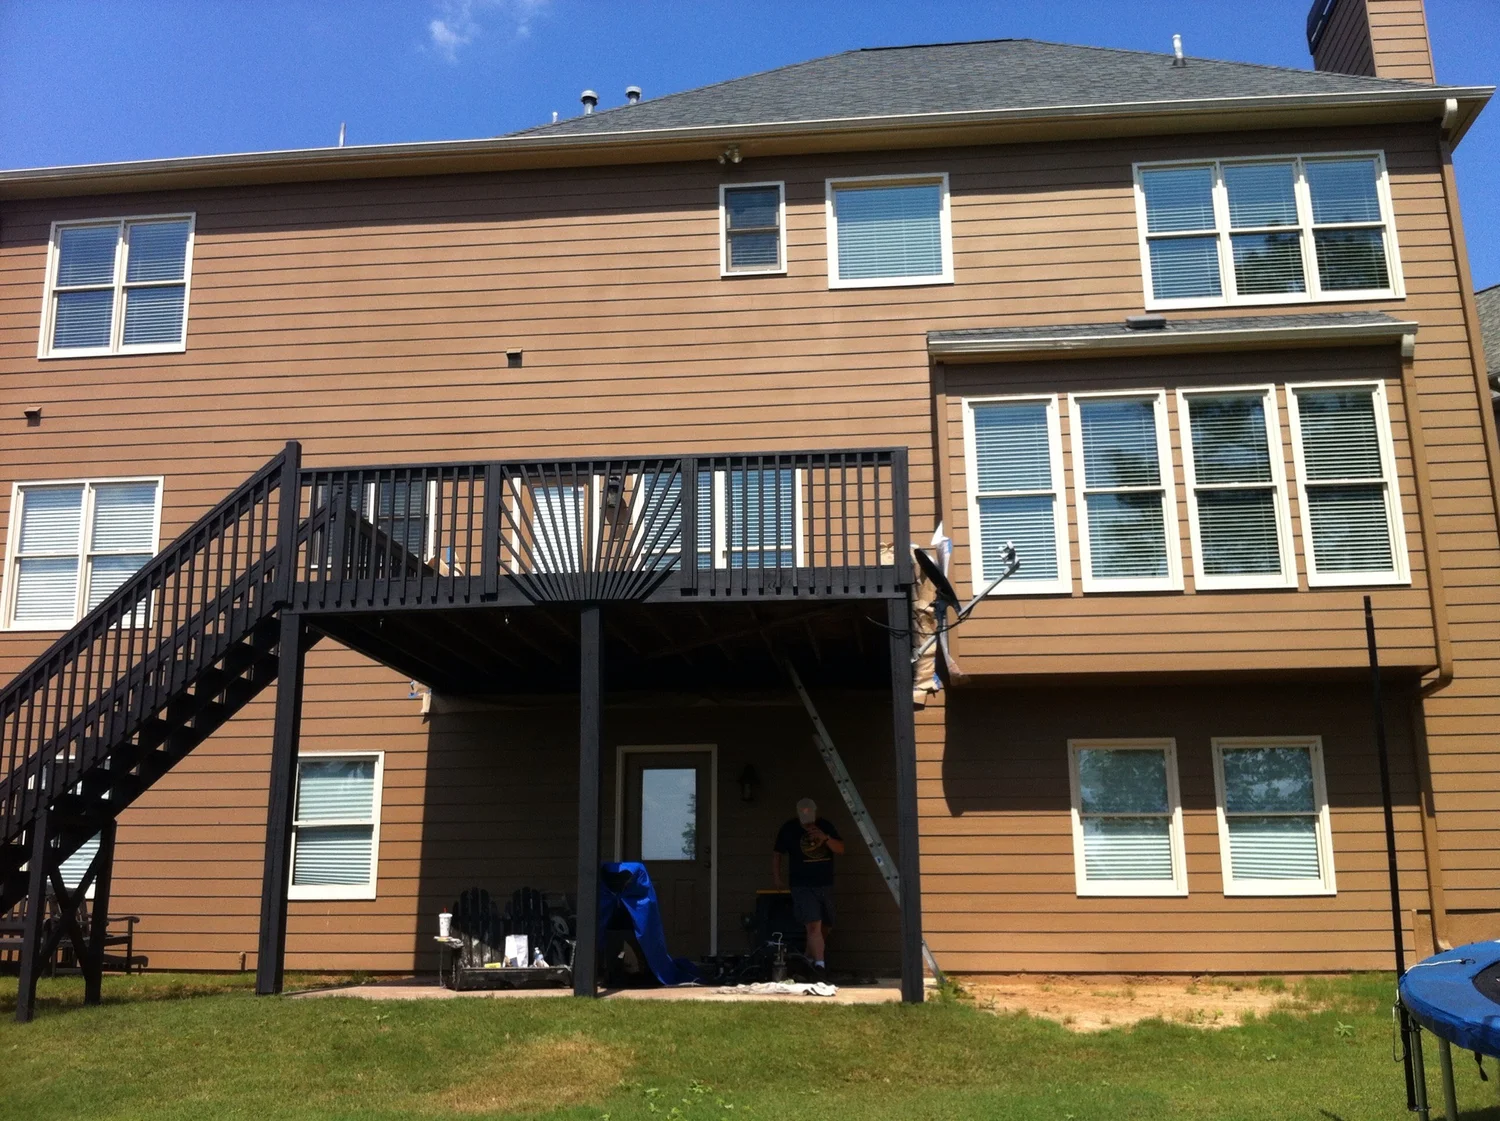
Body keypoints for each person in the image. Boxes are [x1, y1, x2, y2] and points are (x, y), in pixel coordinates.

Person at [772, 797, 844, 973]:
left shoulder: (825, 826)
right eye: (802, 813)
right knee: (813, 924)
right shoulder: (789, 829)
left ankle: (808, 957)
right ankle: (820, 966)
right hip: (801, 884)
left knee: (826, 924)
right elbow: (777, 853)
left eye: (809, 812)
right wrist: (777, 877)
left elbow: (840, 849)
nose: (806, 816)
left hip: (824, 883)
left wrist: (824, 838)